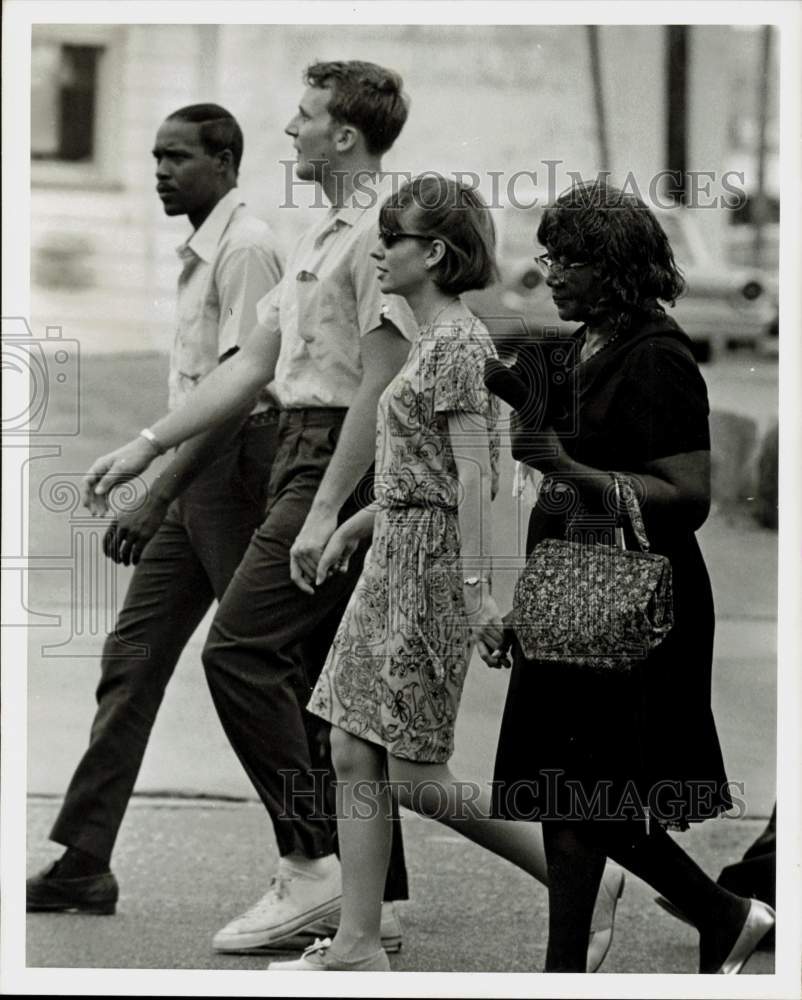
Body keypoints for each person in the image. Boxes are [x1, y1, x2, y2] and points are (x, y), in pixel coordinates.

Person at [79, 61, 414, 953]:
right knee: (326, 690)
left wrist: (324, 506)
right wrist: (146, 445)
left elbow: (378, 389)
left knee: (244, 652)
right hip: (299, 456)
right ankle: (376, 896)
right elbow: (249, 365)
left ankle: (313, 869)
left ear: (344, 135)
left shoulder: (378, 232)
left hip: (337, 461)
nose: (289, 133)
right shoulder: (318, 235)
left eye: (303, 119)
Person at [267, 175, 624, 974]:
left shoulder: (459, 344)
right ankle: (358, 943)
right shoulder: (426, 337)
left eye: (391, 237)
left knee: (420, 773)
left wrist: (474, 592)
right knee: (351, 747)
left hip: (430, 572)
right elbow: (418, 469)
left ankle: (582, 882)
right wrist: (356, 526)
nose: (377, 248)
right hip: (392, 557)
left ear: (432, 252)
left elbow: (472, 477)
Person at [490, 179, 775, 973]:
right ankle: (573, 964)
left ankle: (722, 912)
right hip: (570, 591)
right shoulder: (584, 342)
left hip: (632, 605)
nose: (551, 272)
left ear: (613, 267)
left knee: (592, 789)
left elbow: (687, 496)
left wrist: (567, 467)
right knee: (561, 788)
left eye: (569, 259)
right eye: (548, 255)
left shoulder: (659, 355)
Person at [27, 104, 284, 916]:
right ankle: (83, 860)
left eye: (178, 157)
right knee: (130, 662)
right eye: (153, 156)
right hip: (191, 474)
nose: (161, 172)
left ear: (227, 159)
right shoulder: (204, 247)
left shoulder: (247, 247)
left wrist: (158, 490)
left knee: (263, 673)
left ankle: (334, 867)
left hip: (232, 474)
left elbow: (242, 395)